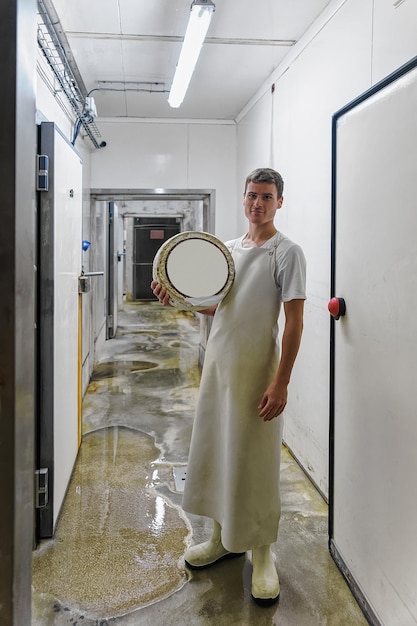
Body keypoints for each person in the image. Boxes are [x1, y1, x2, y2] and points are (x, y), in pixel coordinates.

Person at [151, 167, 306, 606]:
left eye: (267, 196)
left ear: (279, 202)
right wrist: (178, 298)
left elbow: (294, 322)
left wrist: (282, 383)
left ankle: (261, 553)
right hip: (219, 368)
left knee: (254, 459)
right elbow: (217, 307)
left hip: (259, 370)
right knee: (219, 450)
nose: (258, 203)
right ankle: (222, 538)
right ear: (242, 199)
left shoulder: (286, 253)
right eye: (252, 195)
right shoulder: (229, 250)